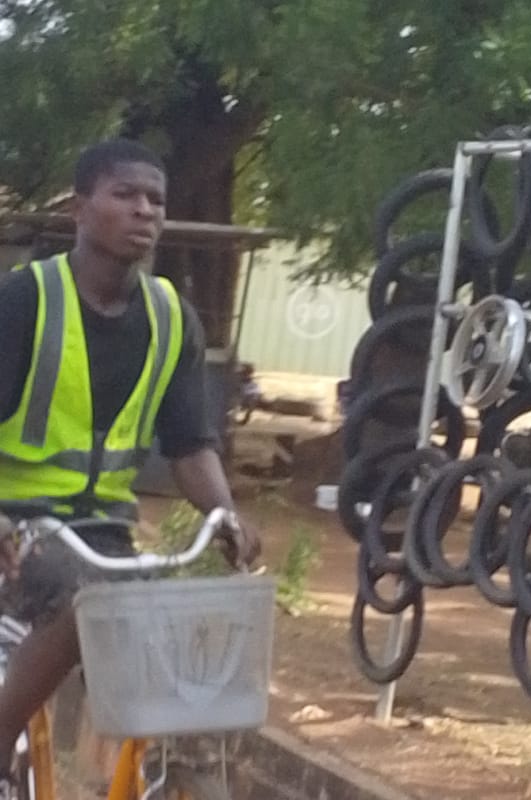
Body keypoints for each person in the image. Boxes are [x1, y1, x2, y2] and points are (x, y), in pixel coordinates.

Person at [0, 138, 260, 797]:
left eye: (156, 200)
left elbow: (191, 446)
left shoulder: (172, 319)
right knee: (88, 602)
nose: (145, 210)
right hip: (19, 529)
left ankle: (180, 778)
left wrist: (223, 511)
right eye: (125, 194)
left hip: (106, 533)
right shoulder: (23, 301)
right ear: (79, 208)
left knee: (193, 651)